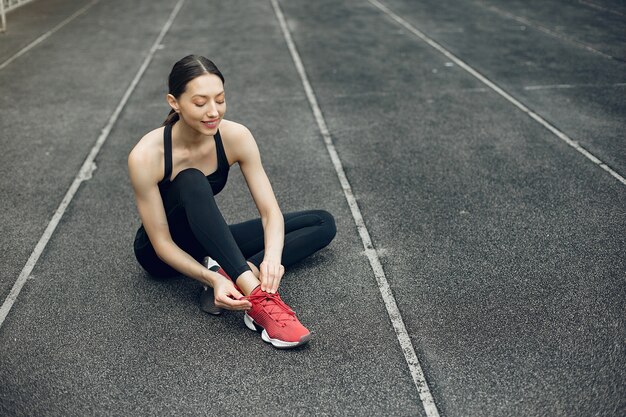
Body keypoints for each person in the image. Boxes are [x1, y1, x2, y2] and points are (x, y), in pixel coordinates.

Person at [128, 55, 336, 349]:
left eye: (220, 100)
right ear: (174, 102)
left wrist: (272, 259)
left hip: (208, 238)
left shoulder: (235, 136)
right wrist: (210, 281)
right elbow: (161, 243)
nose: (213, 111)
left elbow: (270, 212)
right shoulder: (147, 155)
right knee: (191, 178)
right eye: (200, 103)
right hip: (160, 255)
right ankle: (260, 301)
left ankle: (232, 271)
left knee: (322, 222)